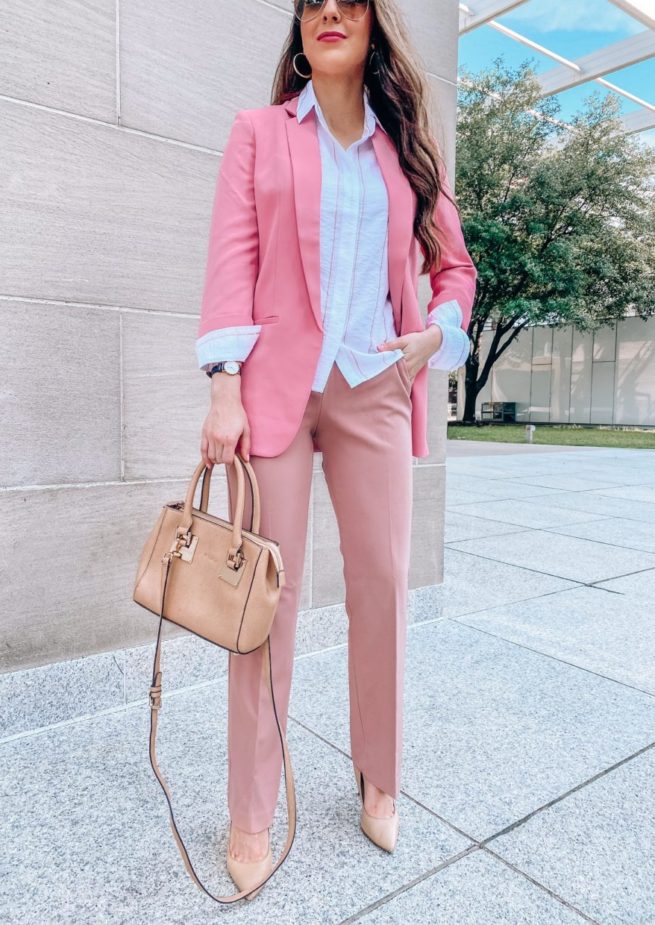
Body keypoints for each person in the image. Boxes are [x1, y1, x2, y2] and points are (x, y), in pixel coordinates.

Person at [196, 0, 477, 898]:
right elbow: (231, 259)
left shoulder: (406, 150)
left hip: (374, 388)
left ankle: (378, 772)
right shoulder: (258, 133)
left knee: (383, 588)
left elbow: (455, 270)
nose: (326, 11)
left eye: (346, 0)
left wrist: (438, 334)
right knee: (262, 604)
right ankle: (252, 808)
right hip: (276, 385)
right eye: (311, 0)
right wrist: (223, 385)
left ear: (371, 26)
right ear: (300, 27)